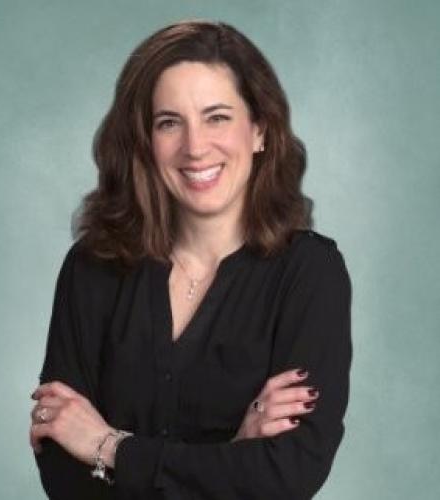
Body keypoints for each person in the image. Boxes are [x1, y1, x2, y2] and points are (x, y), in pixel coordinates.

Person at [29, 20, 352, 500]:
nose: (195, 147)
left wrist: (107, 446)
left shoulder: (310, 273)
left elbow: (287, 475)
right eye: (169, 122)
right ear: (145, 141)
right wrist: (232, 455)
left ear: (259, 130)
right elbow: (63, 475)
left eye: (217, 117)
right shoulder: (92, 266)